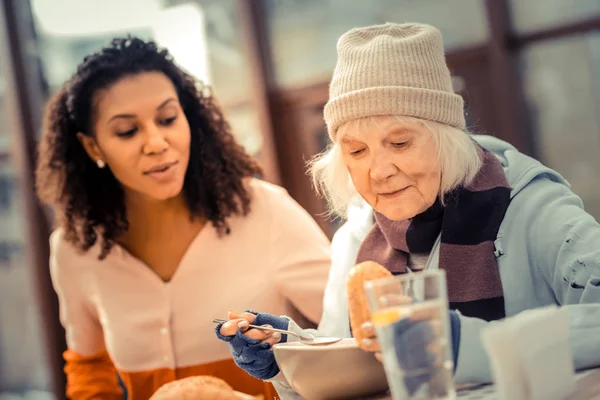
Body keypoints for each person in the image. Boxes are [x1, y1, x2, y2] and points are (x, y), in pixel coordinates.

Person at [216, 22, 600, 398]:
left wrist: (458, 342)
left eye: (399, 143)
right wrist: (286, 353)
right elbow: (358, 355)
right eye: (357, 151)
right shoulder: (355, 236)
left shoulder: (533, 208)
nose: (380, 172)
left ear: (447, 139)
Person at [35, 37, 333, 400]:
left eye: (167, 118)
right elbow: (89, 369)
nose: (156, 141)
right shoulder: (74, 248)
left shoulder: (264, 211)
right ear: (92, 146)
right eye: (127, 131)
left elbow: (346, 330)